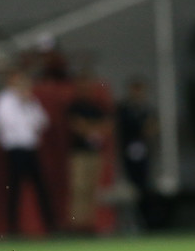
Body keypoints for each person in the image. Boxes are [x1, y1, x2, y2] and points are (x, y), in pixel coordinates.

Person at [0, 69, 57, 235]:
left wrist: (27, 104)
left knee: (41, 186)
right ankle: (12, 226)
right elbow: (7, 123)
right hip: (14, 149)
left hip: (30, 148)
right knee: (14, 188)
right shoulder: (3, 100)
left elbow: (43, 122)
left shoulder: (30, 100)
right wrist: (22, 106)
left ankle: (50, 225)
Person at [66, 75, 112, 233]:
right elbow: (78, 127)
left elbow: (107, 127)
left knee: (93, 190)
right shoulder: (75, 106)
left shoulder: (96, 107)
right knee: (79, 188)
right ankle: (77, 224)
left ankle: (90, 224)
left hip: (94, 153)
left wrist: (90, 127)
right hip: (79, 153)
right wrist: (93, 128)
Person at [116, 77, 158, 230]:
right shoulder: (124, 109)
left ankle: (147, 221)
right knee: (130, 186)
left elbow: (152, 128)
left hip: (143, 152)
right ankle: (129, 222)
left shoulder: (147, 109)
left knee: (144, 186)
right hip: (127, 152)